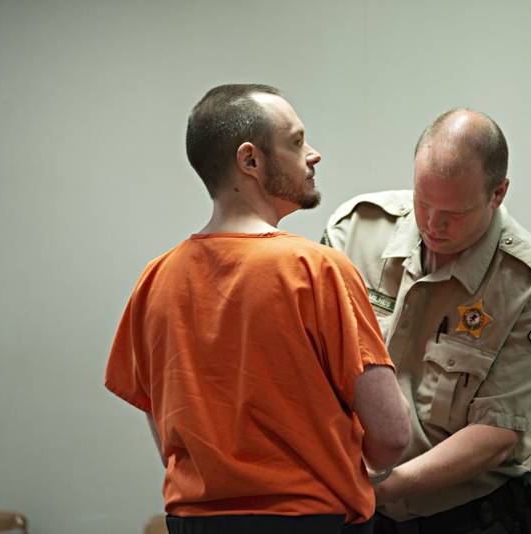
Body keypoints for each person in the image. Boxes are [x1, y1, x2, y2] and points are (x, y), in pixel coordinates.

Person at [104, 84, 411, 534]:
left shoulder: (155, 279)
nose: (313, 154)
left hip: (193, 523)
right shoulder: (317, 269)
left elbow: (163, 426)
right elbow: (390, 438)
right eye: (296, 141)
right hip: (310, 520)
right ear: (250, 161)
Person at [322, 108, 531, 534]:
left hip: (473, 515)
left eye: (453, 213)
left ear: (498, 194)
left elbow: (496, 437)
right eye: (423, 201)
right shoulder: (355, 232)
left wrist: (380, 487)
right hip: (360, 506)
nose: (432, 225)